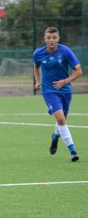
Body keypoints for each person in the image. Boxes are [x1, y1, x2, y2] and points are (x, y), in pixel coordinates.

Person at [33, 27, 83, 162]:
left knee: (62, 120)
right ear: (45, 39)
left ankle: (55, 137)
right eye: (49, 38)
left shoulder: (66, 51)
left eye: (54, 37)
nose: (51, 40)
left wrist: (65, 81)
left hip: (65, 90)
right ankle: (73, 151)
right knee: (61, 120)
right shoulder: (38, 53)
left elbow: (79, 72)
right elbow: (36, 66)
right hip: (49, 91)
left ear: (58, 38)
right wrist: (38, 82)